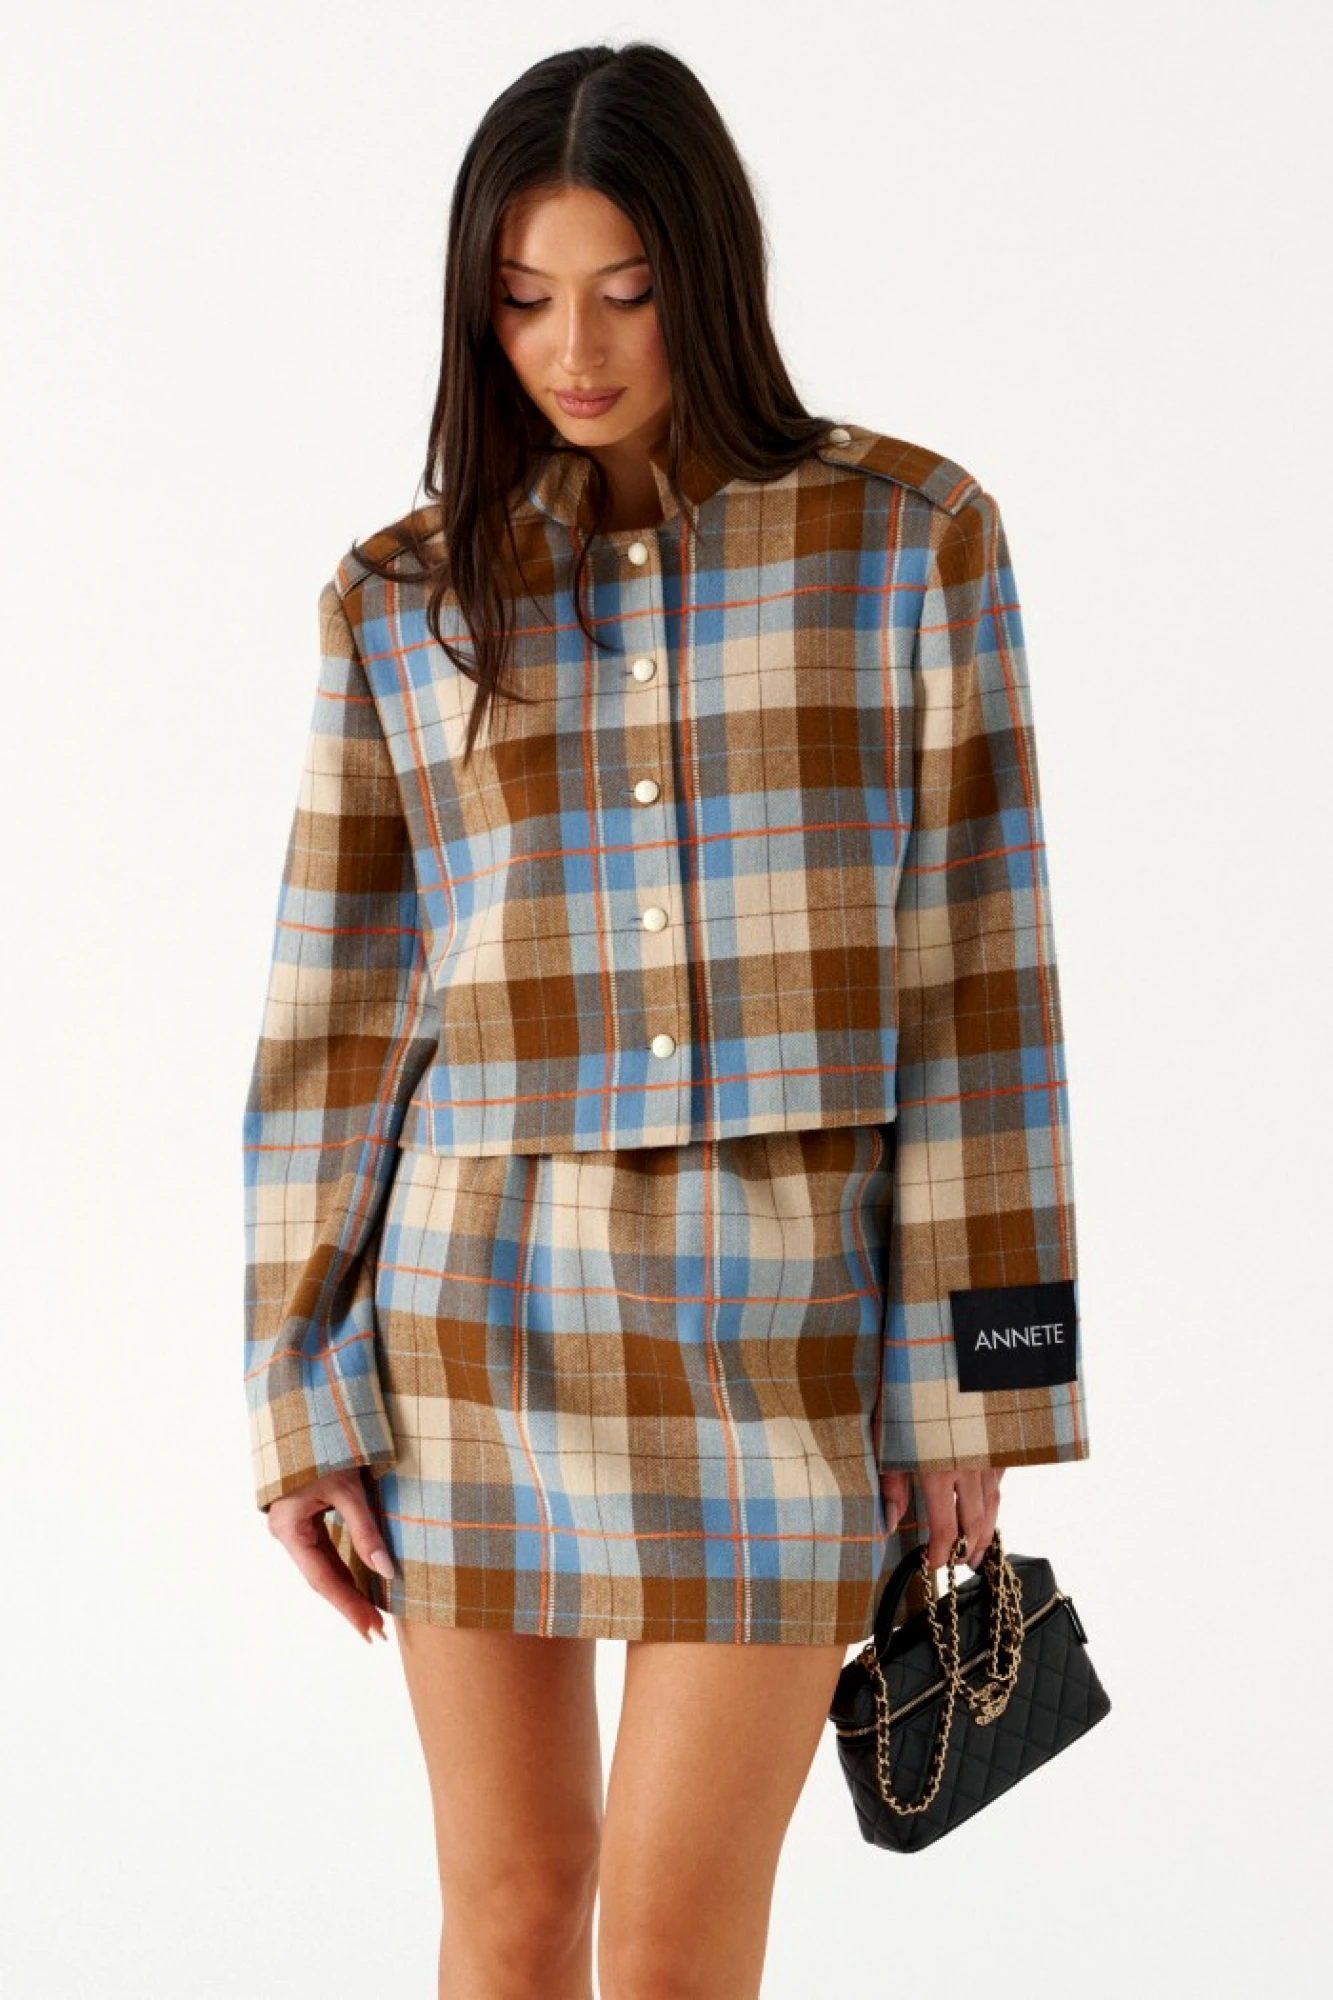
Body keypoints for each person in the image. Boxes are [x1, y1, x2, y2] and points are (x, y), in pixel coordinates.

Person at [241, 38, 1090, 2000]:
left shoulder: (910, 537)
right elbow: (337, 1024)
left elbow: (983, 985)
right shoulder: (399, 599)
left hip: (782, 1342)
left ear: (708, 273)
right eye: (524, 299)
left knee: (678, 1948)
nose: (576, 349)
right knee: (513, 1913)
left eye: (625, 291)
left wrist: (983, 1396)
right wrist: (297, 1396)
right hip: (473, 1326)